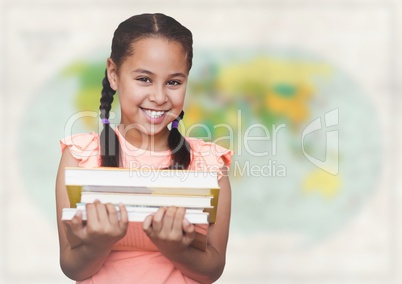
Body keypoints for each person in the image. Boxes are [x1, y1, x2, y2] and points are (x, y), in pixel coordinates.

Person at [55, 13, 233, 284]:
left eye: (174, 82)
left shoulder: (209, 164)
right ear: (114, 75)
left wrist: (175, 249)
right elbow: (72, 267)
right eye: (144, 79)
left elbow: (212, 270)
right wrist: (99, 244)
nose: (159, 97)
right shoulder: (80, 156)